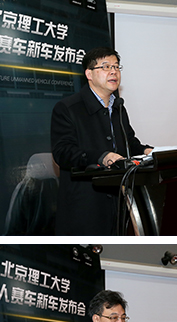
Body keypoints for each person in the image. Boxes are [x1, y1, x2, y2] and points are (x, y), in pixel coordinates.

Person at [51, 46, 153, 235]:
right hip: (86, 205)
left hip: (120, 202)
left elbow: (129, 143)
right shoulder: (68, 108)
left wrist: (149, 152)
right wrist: (102, 157)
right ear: (89, 74)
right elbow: (62, 152)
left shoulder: (119, 108)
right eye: (106, 67)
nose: (113, 71)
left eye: (116, 66)